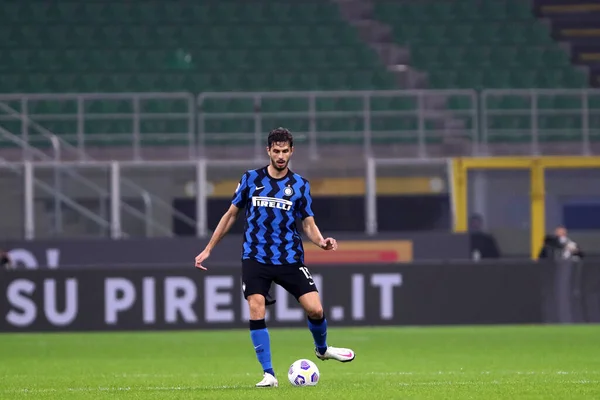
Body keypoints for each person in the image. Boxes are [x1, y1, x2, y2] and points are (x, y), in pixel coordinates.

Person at [194, 127, 355, 388]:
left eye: (285, 151)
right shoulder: (250, 179)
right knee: (256, 306)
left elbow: (308, 224)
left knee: (315, 308)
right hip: (255, 256)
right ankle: (269, 374)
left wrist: (321, 241)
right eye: (276, 151)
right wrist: (209, 248)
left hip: (289, 257)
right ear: (268, 150)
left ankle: (322, 349)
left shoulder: (300, 185)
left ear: (292, 151)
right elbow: (231, 215)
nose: (281, 156)